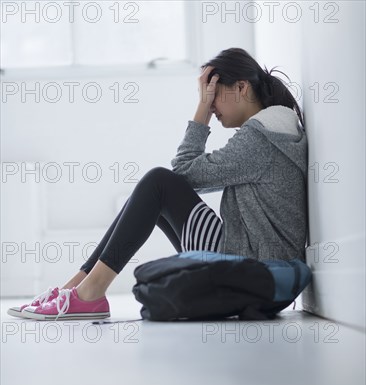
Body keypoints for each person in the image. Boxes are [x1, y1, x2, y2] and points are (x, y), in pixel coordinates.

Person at [7, 47, 308, 321]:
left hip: (252, 272)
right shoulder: (274, 133)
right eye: (207, 95)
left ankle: (89, 293)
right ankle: (77, 289)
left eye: (212, 93)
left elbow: (184, 172)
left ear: (241, 87)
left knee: (159, 182)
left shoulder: (261, 140)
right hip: (260, 271)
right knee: (156, 189)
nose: (210, 103)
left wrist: (201, 110)